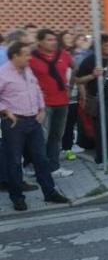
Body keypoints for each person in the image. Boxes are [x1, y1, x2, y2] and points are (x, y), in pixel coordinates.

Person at [0, 42, 71, 211]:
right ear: (15, 56)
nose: (29, 58)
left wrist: (42, 109)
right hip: (14, 123)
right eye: (25, 55)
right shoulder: (3, 74)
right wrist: (5, 111)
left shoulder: (28, 71)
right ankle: (17, 197)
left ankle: (50, 192)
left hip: (34, 121)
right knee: (15, 161)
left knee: (41, 159)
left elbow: (37, 89)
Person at [29, 29, 75, 177]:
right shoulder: (32, 58)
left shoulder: (64, 55)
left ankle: (54, 167)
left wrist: (70, 86)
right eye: (49, 40)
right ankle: (37, 168)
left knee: (56, 136)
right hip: (43, 104)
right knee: (42, 138)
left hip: (62, 102)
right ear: (40, 42)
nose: (53, 42)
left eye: (54, 39)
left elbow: (75, 69)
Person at [76, 35, 108, 166]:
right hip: (99, 100)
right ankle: (101, 160)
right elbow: (78, 80)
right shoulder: (90, 60)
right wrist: (93, 75)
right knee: (104, 130)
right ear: (99, 47)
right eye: (107, 46)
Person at [59, 31, 84, 161]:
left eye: (70, 37)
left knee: (70, 123)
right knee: (61, 125)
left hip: (73, 94)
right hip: (61, 96)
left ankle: (68, 147)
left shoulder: (72, 53)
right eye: (66, 37)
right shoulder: (59, 54)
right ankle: (62, 147)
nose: (69, 39)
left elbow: (76, 72)